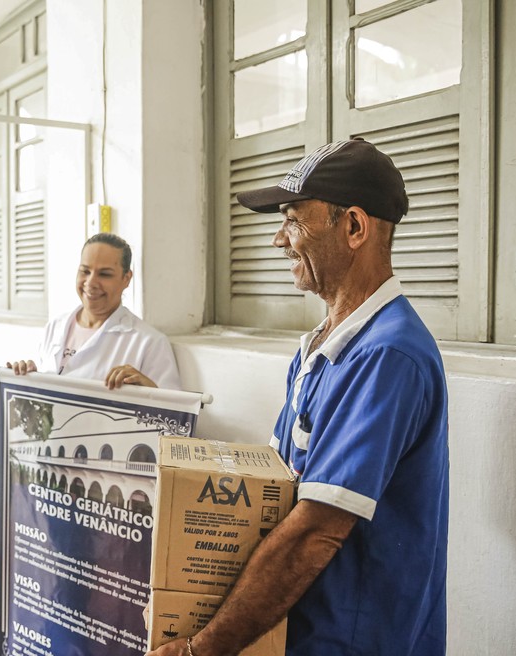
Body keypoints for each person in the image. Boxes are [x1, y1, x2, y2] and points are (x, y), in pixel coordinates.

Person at [146, 139, 449, 655]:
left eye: (293, 221)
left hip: (355, 640)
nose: (278, 241)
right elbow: (277, 492)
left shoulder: (387, 356)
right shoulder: (322, 347)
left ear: (354, 227)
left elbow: (315, 531)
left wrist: (205, 647)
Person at [6, 232, 181, 390]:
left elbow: (174, 417)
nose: (91, 282)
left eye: (104, 274)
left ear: (126, 279)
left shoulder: (149, 343)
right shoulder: (55, 327)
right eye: (85, 271)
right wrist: (31, 379)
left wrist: (149, 389)